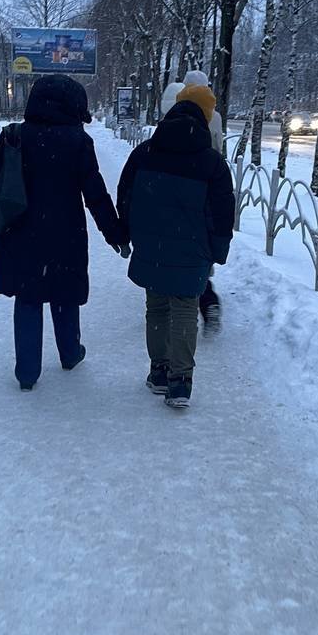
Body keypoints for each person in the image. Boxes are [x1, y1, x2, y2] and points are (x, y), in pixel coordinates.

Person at [0, 74, 128, 392]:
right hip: (66, 233)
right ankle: (70, 353)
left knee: (28, 297)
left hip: (20, 232)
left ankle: (27, 372)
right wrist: (114, 233)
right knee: (64, 294)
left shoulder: (14, 136)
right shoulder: (78, 141)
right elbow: (95, 194)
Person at [117, 85, 235, 408]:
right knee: (185, 309)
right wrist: (218, 250)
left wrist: (125, 232)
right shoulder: (212, 163)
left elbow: (126, 195)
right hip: (192, 250)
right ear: (207, 118)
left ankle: (159, 371)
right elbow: (223, 213)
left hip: (151, 245)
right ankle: (180, 382)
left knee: (156, 307)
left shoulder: (144, 152)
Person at [180, 70, 225, 336]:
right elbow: (219, 148)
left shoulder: (176, 110)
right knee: (201, 243)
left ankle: (190, 302)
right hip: (206, 184)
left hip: (178, 184)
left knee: (178, 243)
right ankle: (207, 297)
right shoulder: (214, 116)